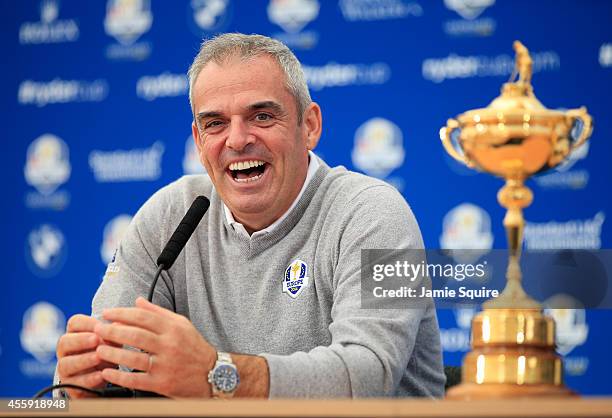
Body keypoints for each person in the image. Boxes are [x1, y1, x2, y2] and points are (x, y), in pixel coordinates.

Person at [55, 33, 445, 399]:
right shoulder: (170, 216)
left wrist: (216, 374)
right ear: (198, 141)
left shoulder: (375, 212)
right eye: (215, 123)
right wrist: (77, 387)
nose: (237, 139)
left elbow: (367, 374)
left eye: (261, 116)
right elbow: (100, 364)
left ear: (308, 126)